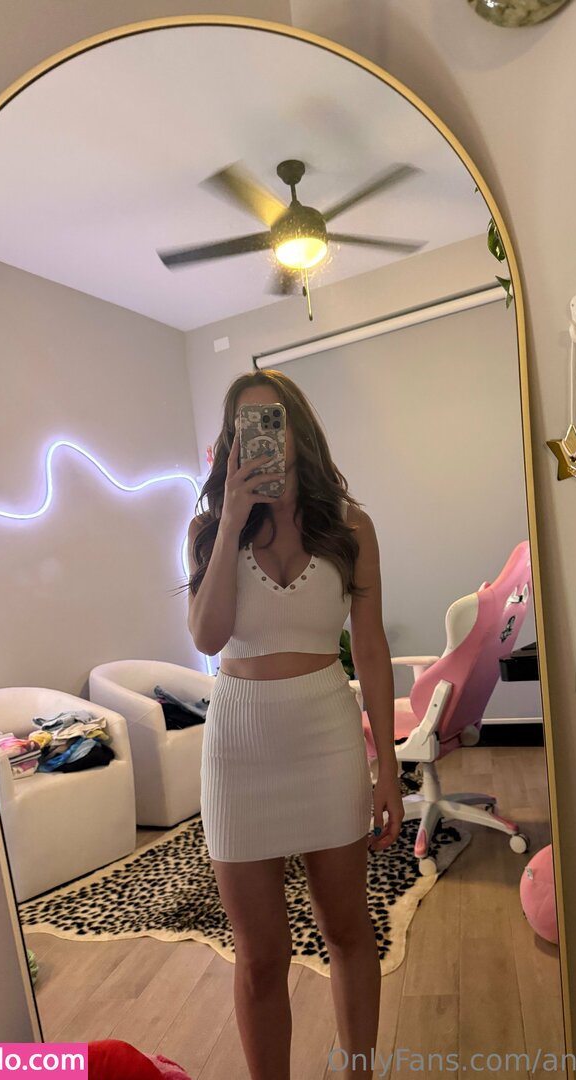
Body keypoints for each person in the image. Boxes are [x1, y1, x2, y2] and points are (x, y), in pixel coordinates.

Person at [181, 369, 404, 1080]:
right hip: (238, 752)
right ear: (230, 443)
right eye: (245, 428)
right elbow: (208, 636)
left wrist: (388, 766)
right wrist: (230, 523)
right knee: (260, 955)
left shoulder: (350, 526)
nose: (262, 441)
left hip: (326, 740)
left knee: (347, 929)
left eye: (271, 422)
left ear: (297, 430)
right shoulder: (209, 530)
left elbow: (371, 646)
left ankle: (359, 1073)